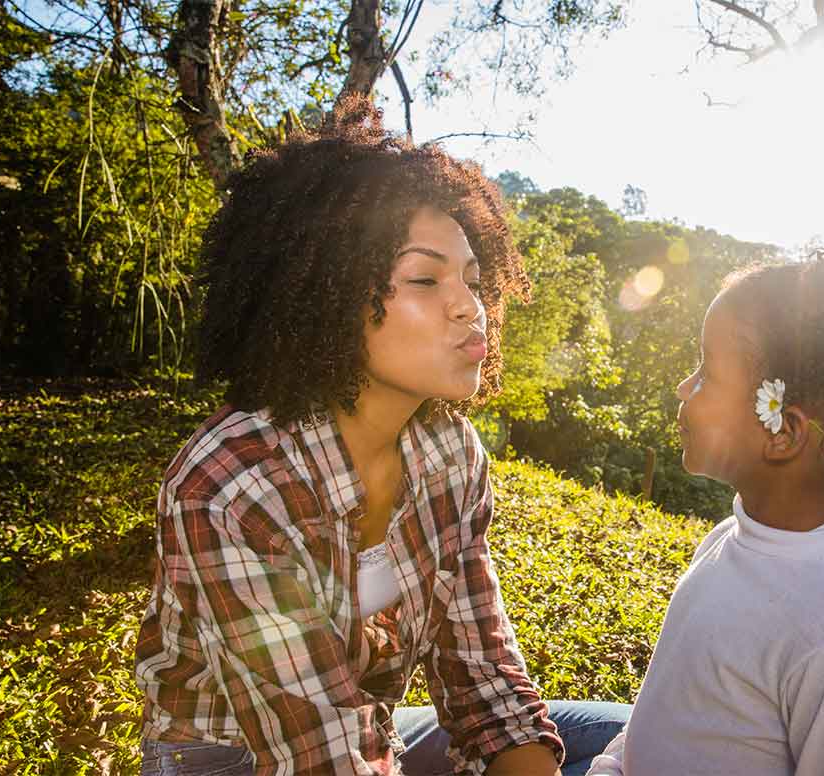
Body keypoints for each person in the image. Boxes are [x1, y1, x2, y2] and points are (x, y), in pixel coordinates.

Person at [133, 96, 628, 776]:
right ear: (327, 296)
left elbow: (482, 675)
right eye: (424, 278)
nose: (470, 305)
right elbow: (323, 755)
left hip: (370, 734)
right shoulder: (231, 484)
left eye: (473, 279)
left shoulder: (451, 451)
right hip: (231, 758)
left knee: (624, 735)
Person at [586, 251, 824, 776]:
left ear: (783, 431)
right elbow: (661, 712)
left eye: (706, 373)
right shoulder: (731, 537)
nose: (683, 387)